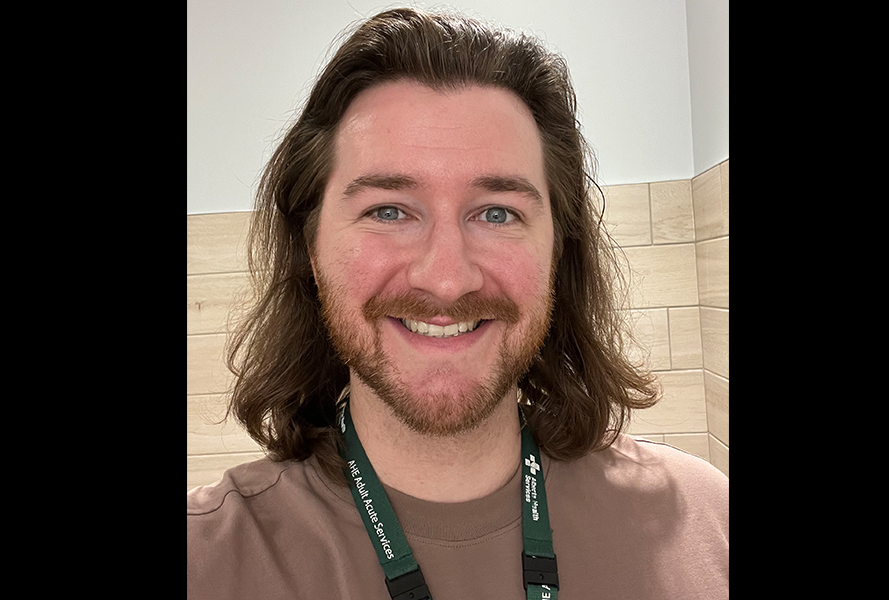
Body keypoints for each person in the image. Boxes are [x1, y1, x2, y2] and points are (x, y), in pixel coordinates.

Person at [187, 7, 728, 600]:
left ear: (557, 253)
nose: (447, 281)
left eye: (497, 213)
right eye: (388, 211)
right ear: (310, 250)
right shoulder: (209, 561)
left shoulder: (704, 527)